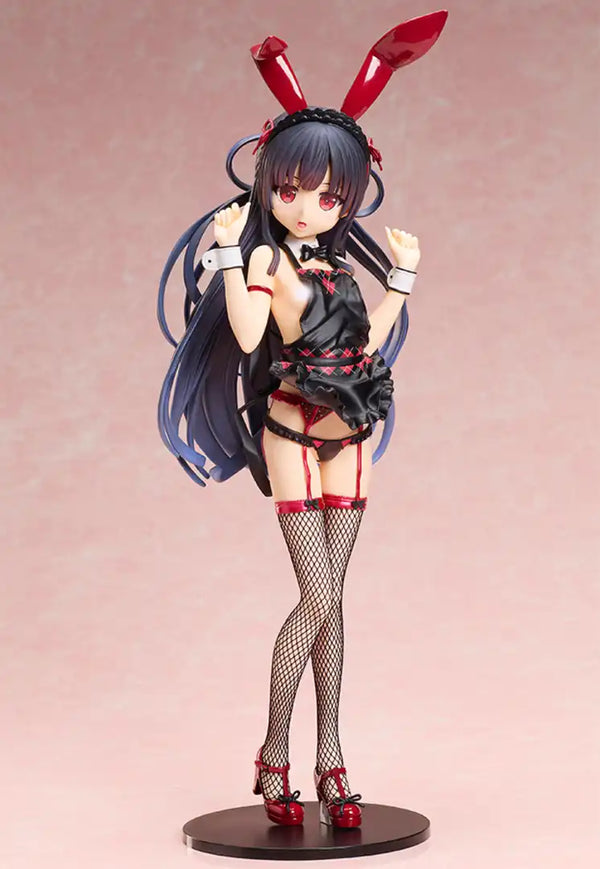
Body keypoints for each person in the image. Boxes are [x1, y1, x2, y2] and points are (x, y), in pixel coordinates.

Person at [157, 13, 447, 829]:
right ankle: (274, 753)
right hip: (290, 425)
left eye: (328, 195)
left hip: (350, 428)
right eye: (289, 191)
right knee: (318, 598)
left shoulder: (340, 263)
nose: (308, 207)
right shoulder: (266, 259)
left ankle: (329, 760)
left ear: (348, 196)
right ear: (267, 186)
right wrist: (224, 256)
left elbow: (368, 338)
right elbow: (252, 334)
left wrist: (404, 277)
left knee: (334, 601)